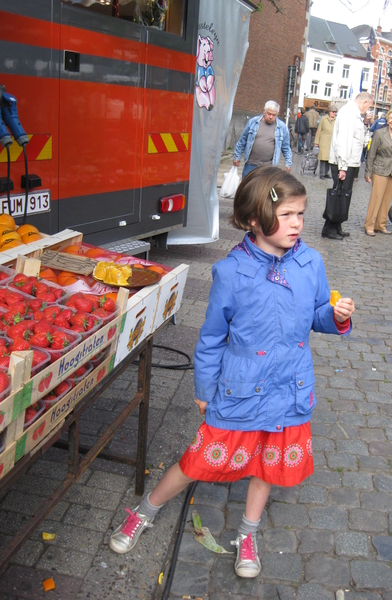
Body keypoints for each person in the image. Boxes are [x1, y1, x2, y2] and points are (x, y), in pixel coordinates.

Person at [108, 166, 355, 579]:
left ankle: (248, 533)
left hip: (289, 385)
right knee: (198, 461)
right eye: (288, 215)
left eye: (301, 214)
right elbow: (210, 339)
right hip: (240, 389)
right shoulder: (231, 272)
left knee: (267, 466)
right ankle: (145, 510)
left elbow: (317, 316)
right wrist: (205, 387)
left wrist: (335, 315)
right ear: (256, 220)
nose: (297, 223)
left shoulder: (311, 261)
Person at [322, 91, 374, 240]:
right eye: (368, 106)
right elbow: (343, 141)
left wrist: (365, 124)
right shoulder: (348, 113)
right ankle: (330, 228)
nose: (367, 110)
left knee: (344, 195)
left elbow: (360, 140)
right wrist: (343, 167)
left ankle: (336, 225)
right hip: (343, 162)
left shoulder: (356, 115)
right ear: (364, 102)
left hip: (350, 162)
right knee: (338, 194)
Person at [364, 108, 392, 236]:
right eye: (391, 118)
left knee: (386, 200)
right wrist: (368, 172)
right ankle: (370, 225)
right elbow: (371, 154)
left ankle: (381, 224)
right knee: (376, 198)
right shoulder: (379, 133)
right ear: (387, 120)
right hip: (380, 169)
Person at [233, 101, 292, 179]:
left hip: (269, 168)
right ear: (264, 111)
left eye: (274, 115)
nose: (271, 117)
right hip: (250, 164)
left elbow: (286, 147)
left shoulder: (282, 127)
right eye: (269, 114)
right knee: (247, 189)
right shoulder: (253, 122)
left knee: (264, 190)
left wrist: (288, 163)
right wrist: (237, 156)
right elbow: (242, 140)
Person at [314, 104, 337, 179]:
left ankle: (326, 172)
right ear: (329, 112)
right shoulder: (324, 119)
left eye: (335, 112)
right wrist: (316, 142)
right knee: (323, 158)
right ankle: (322, 173)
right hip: (324, 141)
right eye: (333, 112)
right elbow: (319, 130)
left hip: (332, 142)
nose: (334, 113)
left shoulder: (336, 120)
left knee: (329, 158)